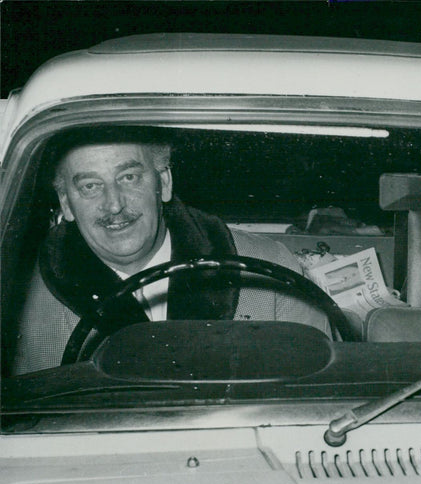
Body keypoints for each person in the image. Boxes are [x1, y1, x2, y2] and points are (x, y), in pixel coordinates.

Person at [13, 132, 330, 374]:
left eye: (129, 177)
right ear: (66, 203)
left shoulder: (271, 270)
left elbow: (319, 405)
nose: (114, 205)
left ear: (163, 182)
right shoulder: (20, 305)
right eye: (90, 187)